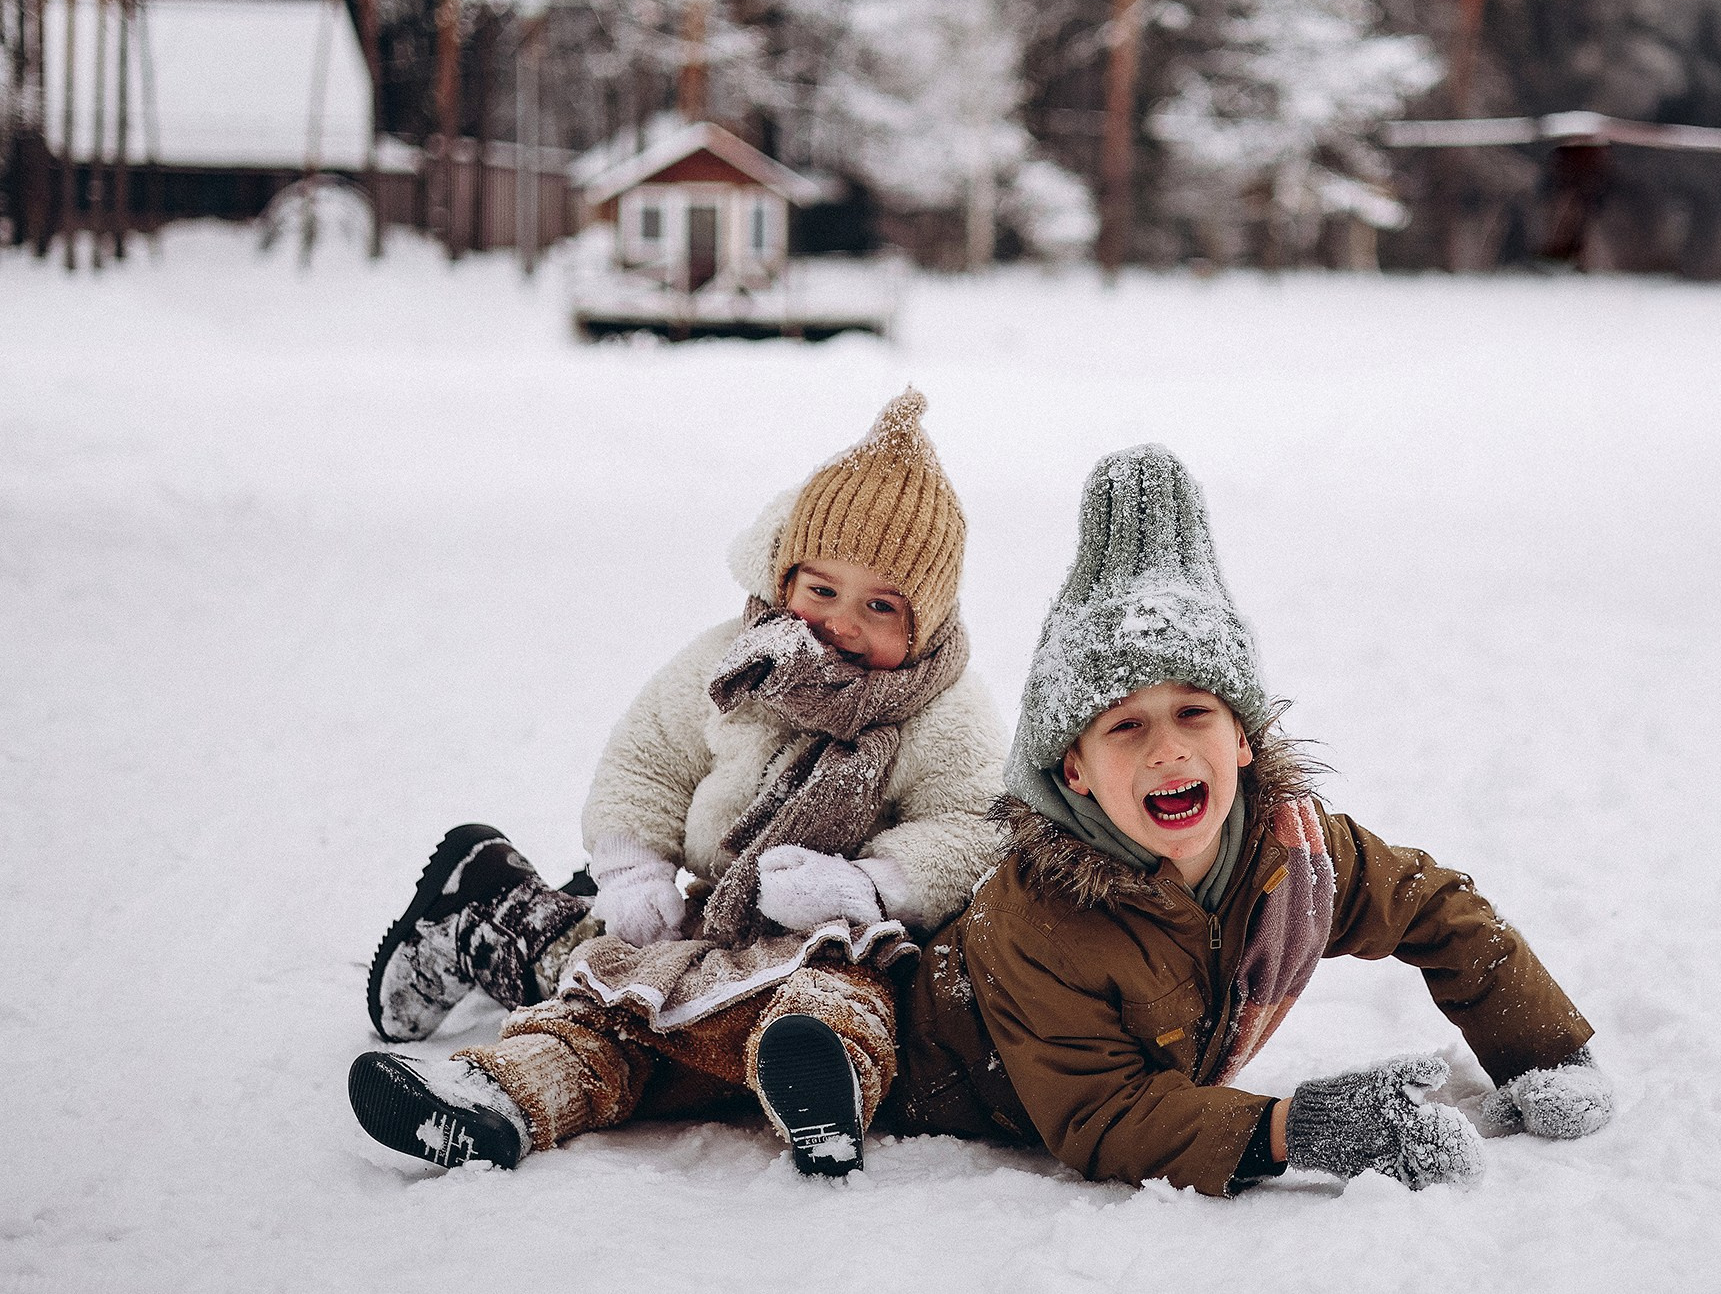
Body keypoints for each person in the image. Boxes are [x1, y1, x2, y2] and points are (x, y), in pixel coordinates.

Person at [887, 445, 1614, 1196]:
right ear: (1073, 768)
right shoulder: (1039, 918)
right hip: (936, 1070)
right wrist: (1297, 1127)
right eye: (1125, 726)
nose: (1168, 748)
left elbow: (1432, 905)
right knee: (838, 1029)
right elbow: (1108, 1114)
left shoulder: (1290, 854)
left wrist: (1544, 1052)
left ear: (1242, 736)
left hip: (1144, 1075)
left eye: (1194, 712)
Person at [347, 388, 1007, 1176]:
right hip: (707, 924)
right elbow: (647, 760)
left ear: (923, 621)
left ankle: (818, 1089)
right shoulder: (735, 663)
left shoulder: (941, 706)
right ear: (784, 573)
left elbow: (973, 820)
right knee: (609, 1001)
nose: (841, 622)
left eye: (880, 605)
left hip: (842, 937)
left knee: (847, 1002)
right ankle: (500, 1098)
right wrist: (632, 869)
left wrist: (868, 884)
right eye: (821, 589)